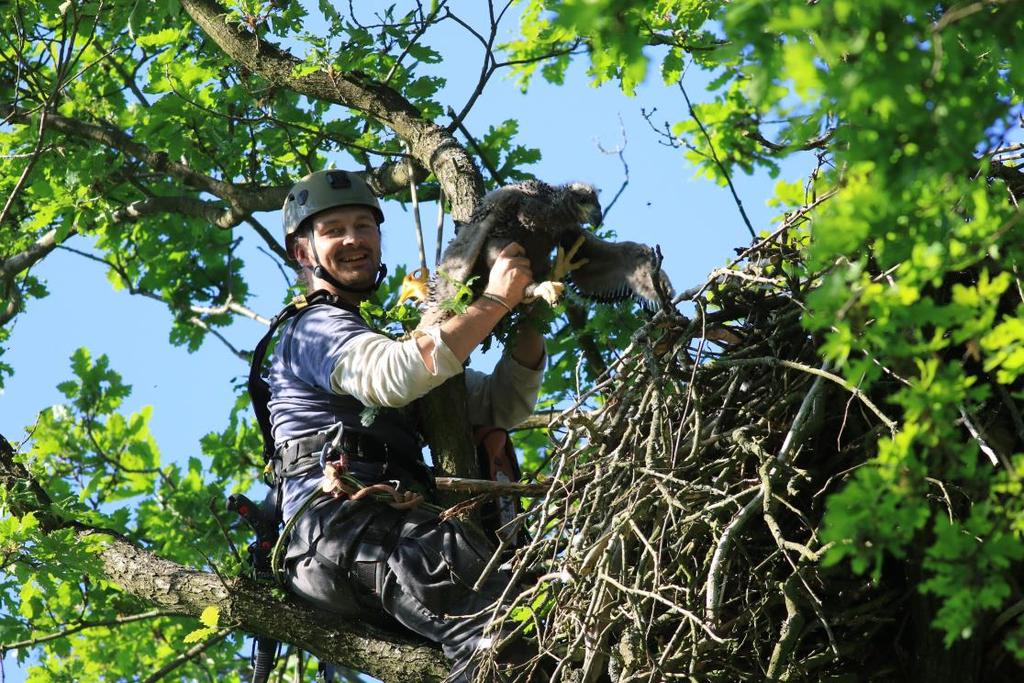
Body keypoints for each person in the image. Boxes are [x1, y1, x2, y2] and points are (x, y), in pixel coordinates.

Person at [265, 169, 545, 681]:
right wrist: (495, 299)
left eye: (364, 226)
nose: (353, 240)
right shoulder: (313, 326)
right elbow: (396, 375)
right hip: (346, 528)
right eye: (332, 231)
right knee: (498, 638)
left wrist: (528, 314)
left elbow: (500, 406)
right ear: (303, 253)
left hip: (379, 537)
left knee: (528, 616)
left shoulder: (379, 338)